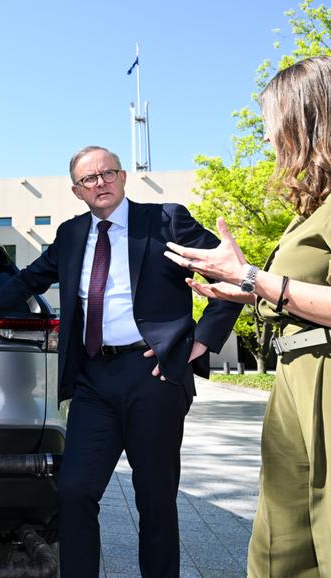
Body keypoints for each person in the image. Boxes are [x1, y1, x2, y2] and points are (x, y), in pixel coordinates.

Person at [0, 145, 242, 578]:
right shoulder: (70, 234)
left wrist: (201, 342)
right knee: (76, 491)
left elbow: (230, 272)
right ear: (77, 190)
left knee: (154, 499)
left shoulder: (167, 220)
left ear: (122, 176)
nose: (100, 183)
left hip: (152, 375)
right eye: (89, 179)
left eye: (108, 173)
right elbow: (28, 280)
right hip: (93, 380)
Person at [165, 55, 331, 577]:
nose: (268, 142)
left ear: (310, 120)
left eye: (274, 128)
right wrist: (245, 289)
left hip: (324, 384)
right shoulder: (313, 208)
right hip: (293, 385)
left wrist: (254, 278)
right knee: (280, 551)